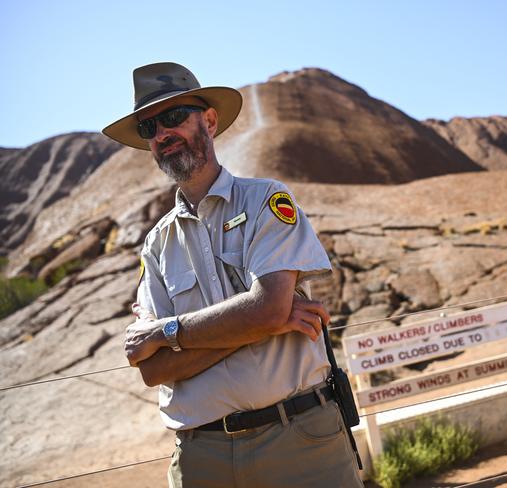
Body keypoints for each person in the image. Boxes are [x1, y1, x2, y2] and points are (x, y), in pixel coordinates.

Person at [102, 62, 364, 487]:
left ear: (209, 120)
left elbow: (265, 309)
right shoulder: (157, 244)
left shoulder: (267, 199)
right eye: (150, 127)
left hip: (298, 441)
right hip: (203, 456)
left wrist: (163, 333)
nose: (163, 134)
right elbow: (152, 370)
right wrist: (265, 323)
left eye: (173, 117)